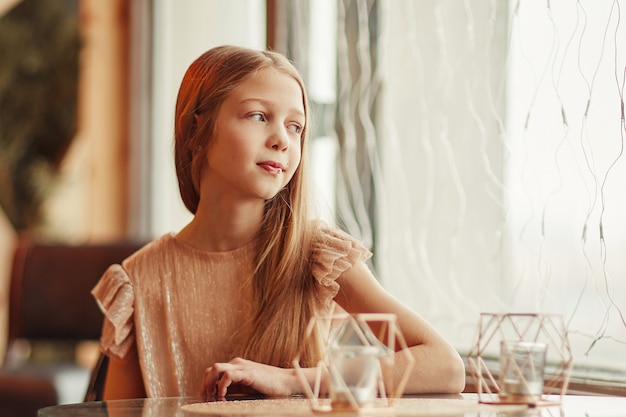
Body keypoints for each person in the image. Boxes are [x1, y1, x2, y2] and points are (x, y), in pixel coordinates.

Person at [92, 45, 466, 400]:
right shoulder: (136, 282)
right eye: (258, 116)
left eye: (295, 127)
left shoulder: (318, 257)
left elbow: (445, 365)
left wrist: (293, 381)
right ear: (196, 132)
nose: (282, 140)